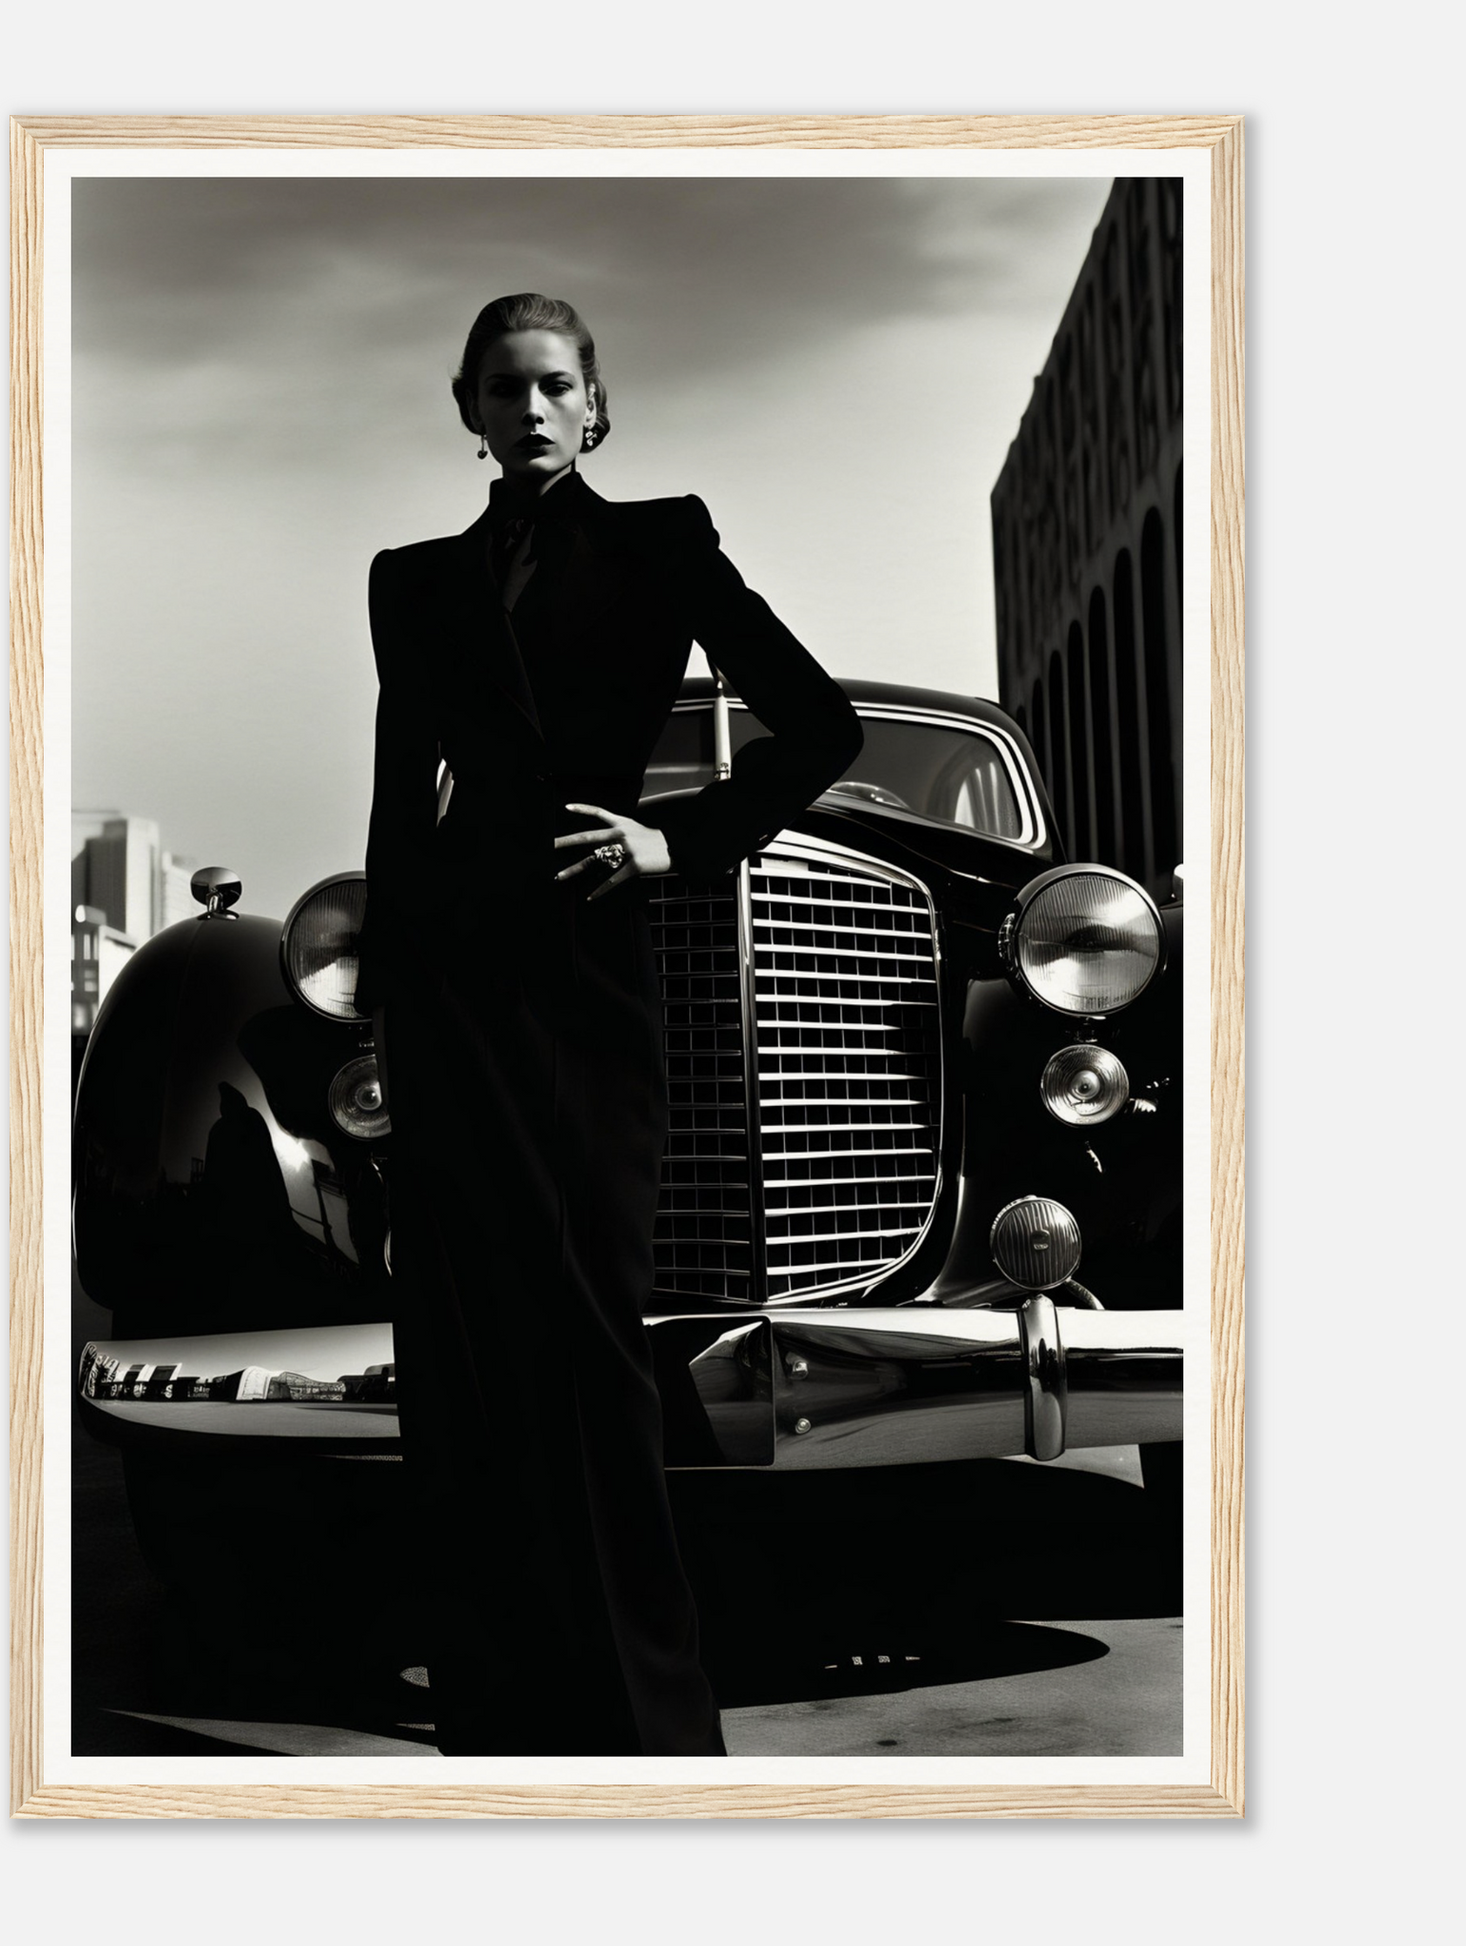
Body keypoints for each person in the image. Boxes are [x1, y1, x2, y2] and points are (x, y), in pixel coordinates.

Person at [353, 292, 862, 1756]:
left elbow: (813, 724)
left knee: (585, 1352)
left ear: (595, 408)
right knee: (462, 1361)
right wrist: (384, 1017)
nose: (528, 410)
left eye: (554, 386)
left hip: (583, 985)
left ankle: (645, 1722)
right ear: (465, 408)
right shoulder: (408, 579)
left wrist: (676, 843)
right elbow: (398, 804)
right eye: (502, 388)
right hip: (452, 994)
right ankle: (494, 1717)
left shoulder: (661, 541)